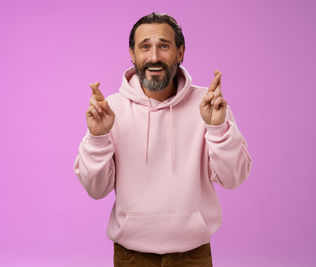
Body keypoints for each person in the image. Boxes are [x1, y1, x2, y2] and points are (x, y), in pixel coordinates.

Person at [73, 12, 253, 267]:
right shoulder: (111, 109)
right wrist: (98, 136)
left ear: (180, 53)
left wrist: (217, 128)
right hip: (131, 256)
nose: (154, 57)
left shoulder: (208, 106)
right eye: (145, 46)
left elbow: (234, 177)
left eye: (164, 46)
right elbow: (96, 189)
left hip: (193, 255)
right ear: (132, 54)